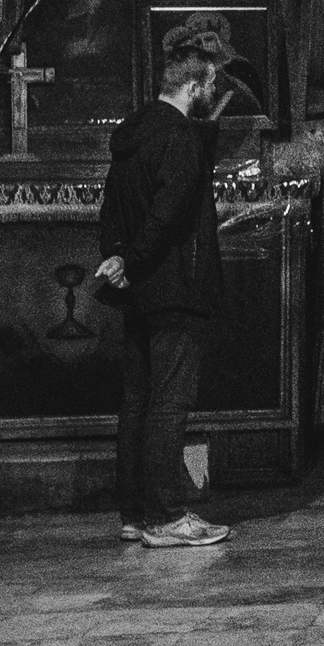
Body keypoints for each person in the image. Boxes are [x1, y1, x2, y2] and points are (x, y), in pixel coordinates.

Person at [96, 34, 234, 549]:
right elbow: (169, 212)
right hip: (175, 287)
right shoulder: (178, 138)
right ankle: (166, 516)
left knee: (136, 402)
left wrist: (119, 259)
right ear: (195, 84)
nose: (214, 88)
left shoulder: (132, 134)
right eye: (212, 82)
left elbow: (112, 210)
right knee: (169, 404)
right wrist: (133, 259)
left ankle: (134, 513)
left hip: (137, 289)